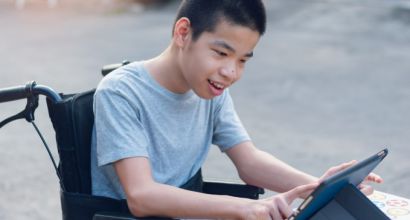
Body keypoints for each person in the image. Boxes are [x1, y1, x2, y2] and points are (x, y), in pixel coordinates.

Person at [91, 0, 383, 219]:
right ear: (183, 33)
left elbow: (250, 163)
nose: (231, 72)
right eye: (221, 53)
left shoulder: (211, 90)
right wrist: (245, 208)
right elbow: (142, 196)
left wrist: (322, 186)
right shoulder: (121, 92)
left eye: (243, 60)